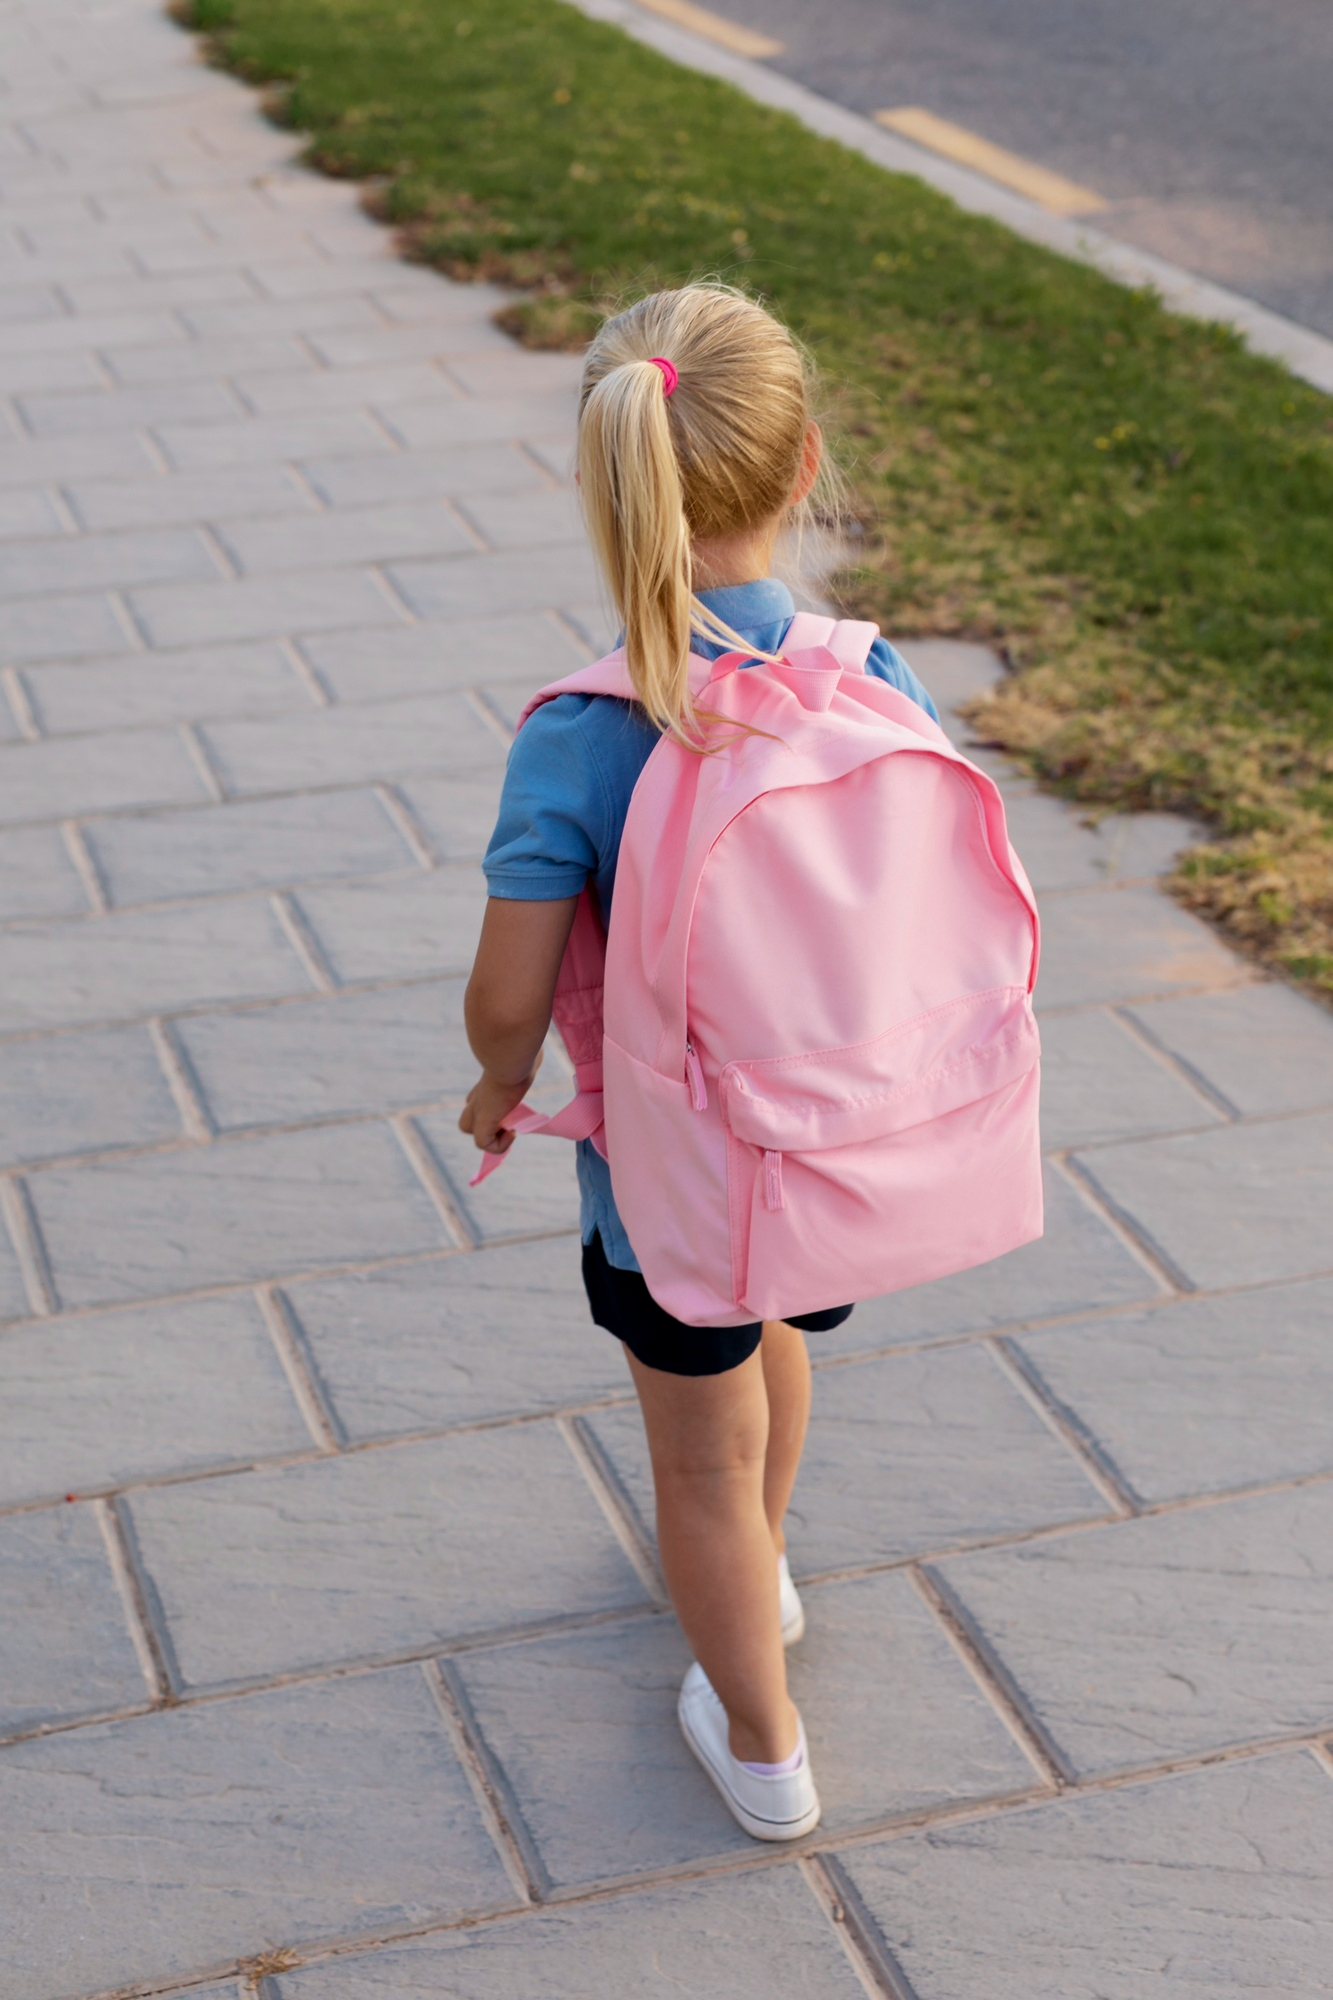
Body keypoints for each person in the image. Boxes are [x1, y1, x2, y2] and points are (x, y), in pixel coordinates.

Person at [460, 284, 938, 1842]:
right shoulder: (873, 675)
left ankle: (761, 1745)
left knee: (692, 1465)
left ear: (607, 482)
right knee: (778, 1329)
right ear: (804, 468)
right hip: (829, 1146)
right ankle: (772, 1560)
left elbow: (507, 997)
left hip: (663, 1192)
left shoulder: (584, 731)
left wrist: (492, 1081)